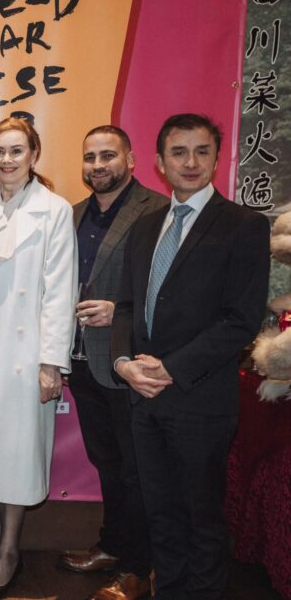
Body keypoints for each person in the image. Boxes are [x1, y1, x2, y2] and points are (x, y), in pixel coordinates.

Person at [111, 114, 270, 599]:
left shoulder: (243, 226)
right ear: (160, 163)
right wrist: (122, 363)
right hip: (144, 398)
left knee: (202, 520)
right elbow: (125, 308)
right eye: (179, 152)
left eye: (202, 151)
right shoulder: (145, 227)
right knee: (160, 515)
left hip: (200, 399)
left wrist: (171, 368)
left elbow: (241, 319)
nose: (191, 162)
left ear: (217, 159)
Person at [0, 117, 77, 599]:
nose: (7, 160)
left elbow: (60, 291)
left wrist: (51, 362)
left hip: (23, 348)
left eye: (16, 151)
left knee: (17, 450)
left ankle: (8, 551)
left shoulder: (54, 210)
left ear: (34, 155)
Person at [57, 126, 166, 600]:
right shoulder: (73, 214)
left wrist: (120, 309)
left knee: (136, 468)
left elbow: (168, 286)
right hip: (82, 360)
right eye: (90, 157)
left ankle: (139, 568)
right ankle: (113, 545)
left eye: (108, 155)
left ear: (132, 159)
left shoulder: (157, 210)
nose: (98, 165)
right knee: (107, 460)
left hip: (129, 361)